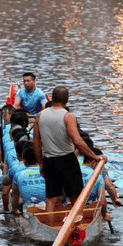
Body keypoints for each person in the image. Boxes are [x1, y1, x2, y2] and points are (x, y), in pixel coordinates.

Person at [33, 86, 105, 217]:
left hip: (49, 160)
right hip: (67, 160)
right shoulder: (68, 116)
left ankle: (50, 225)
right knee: (75, 196)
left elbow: (36, 143)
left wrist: (40, 163)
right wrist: (94, 157)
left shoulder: (39, 116)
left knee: (51, 198)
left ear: (53, 98)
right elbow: (78, 141)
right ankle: (76, 225)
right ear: (66, 100)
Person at [11, 147, 47, 215]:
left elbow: (14, 196)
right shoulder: (47, 171)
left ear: (24, 161)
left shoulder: (18, 175)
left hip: (29, 210)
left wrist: (14, 210)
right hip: (48, 206)